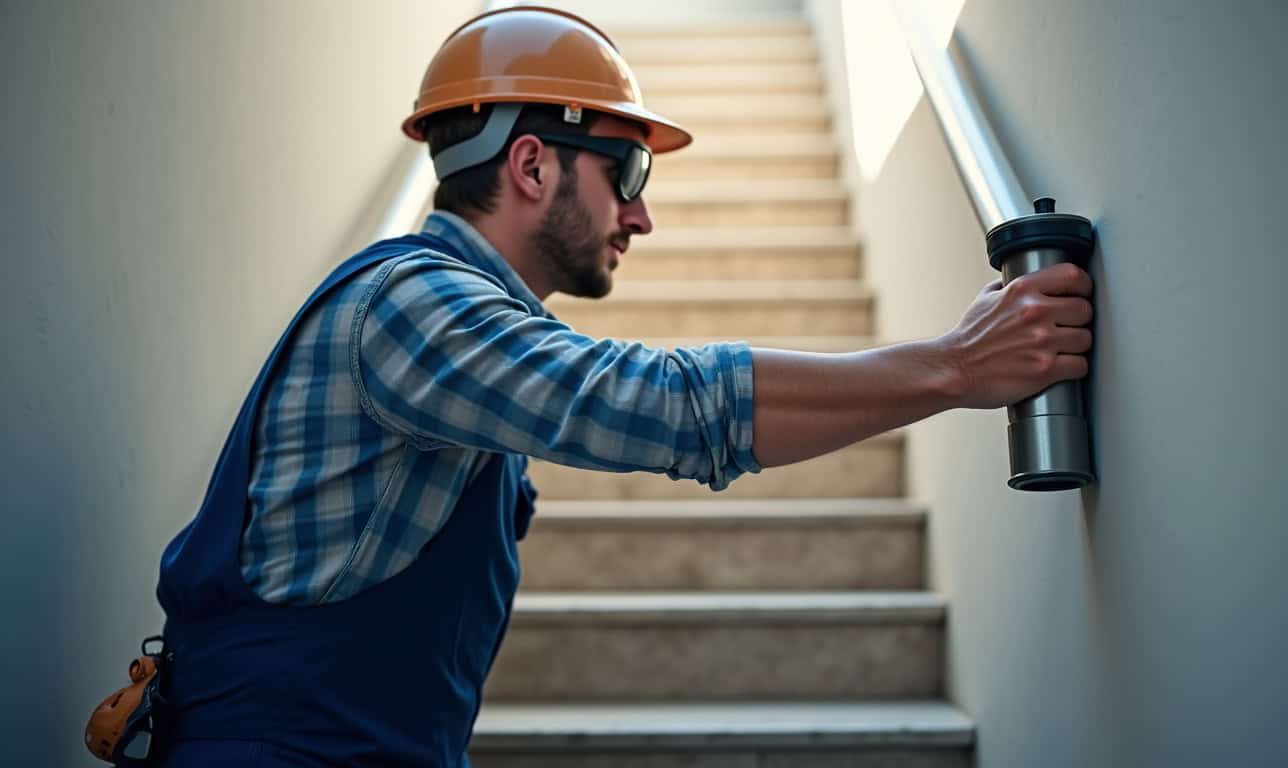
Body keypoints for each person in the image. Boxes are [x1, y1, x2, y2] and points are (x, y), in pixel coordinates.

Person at [144, 6, 1093, 767]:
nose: (641, 213)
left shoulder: (465, 323)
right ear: (529, 162)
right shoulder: (412, 305)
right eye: (626, 169)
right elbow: (664, 405)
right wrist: (955, 367)